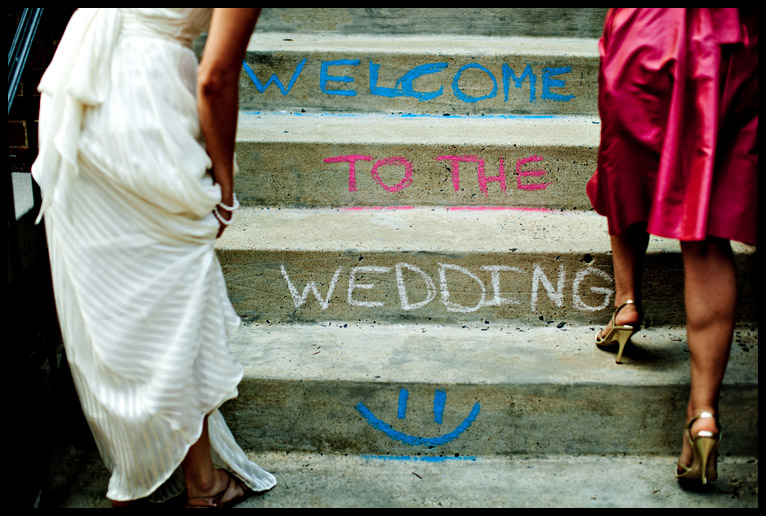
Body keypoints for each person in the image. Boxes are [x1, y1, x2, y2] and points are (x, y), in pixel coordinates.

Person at [31, 8, 276, 507]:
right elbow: (215, 79)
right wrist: (225, 184)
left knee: (122, 304)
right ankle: (150, 488)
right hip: (143, 106)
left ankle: (196, 481)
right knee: (178, 298)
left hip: (76, 93)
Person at [587, 8, 757, 485]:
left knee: (626, 173)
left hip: (649, 31)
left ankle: (626, 304)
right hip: (729, 41)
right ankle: (702, 416)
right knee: (703, 226)